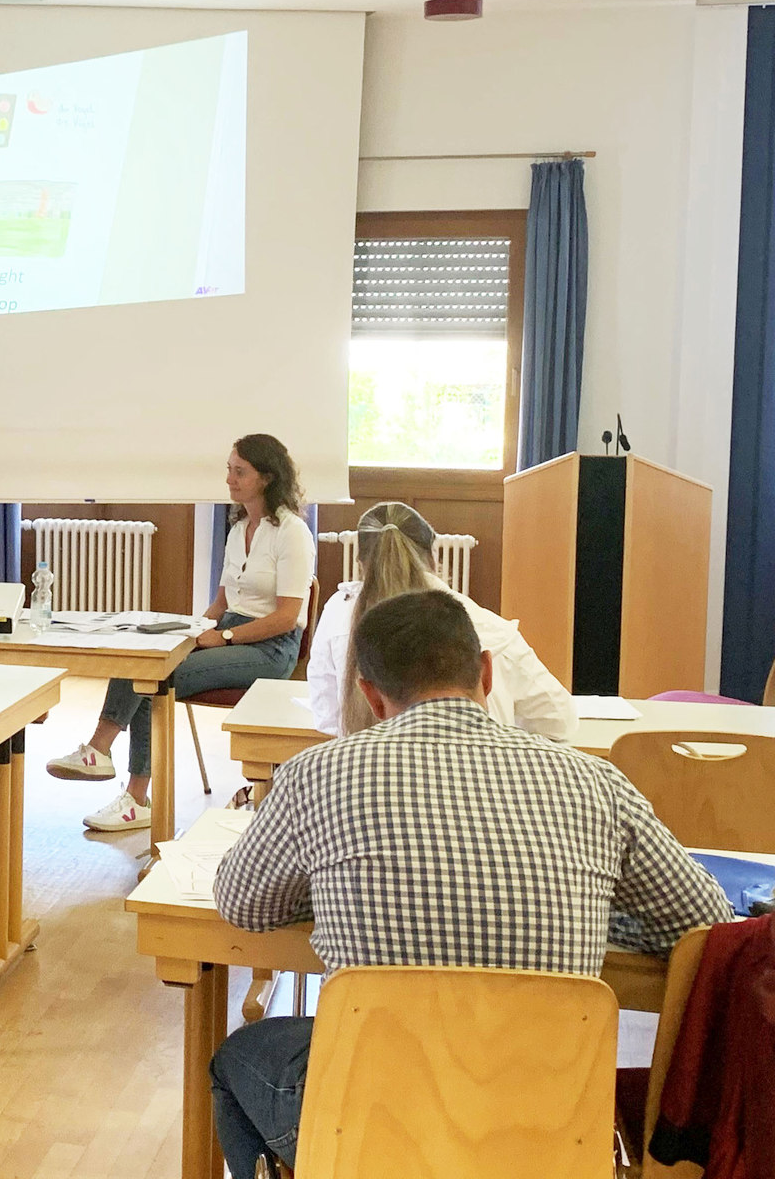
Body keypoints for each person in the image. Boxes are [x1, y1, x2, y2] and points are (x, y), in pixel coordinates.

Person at [208, 590, 734, 1178]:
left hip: (375, 1113)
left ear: (371, 696)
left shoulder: (318, 774)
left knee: (235, 1061)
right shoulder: (595, 782)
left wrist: (329, 880)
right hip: (551, 1120)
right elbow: (708, 925)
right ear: (485, 672)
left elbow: (241, 903)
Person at [48, 434, 316, 831]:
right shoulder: (239, 527)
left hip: (270, 647)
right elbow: (221, 604)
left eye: (239, 471)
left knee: (155, 677)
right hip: (226, 632)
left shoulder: (292, 532)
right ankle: (121, 780)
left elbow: (288, 617)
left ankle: (111, 765)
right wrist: (191, 631)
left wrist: (223, 638)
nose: (229, 479)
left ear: (266, 478)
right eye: (229, 469)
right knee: (144, 656)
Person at [307, 501, 576, 739]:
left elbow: (327, 718)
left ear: (361, 564)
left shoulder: (336, 614)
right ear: (434, 560)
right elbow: (559, 721)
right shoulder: (491, 629)